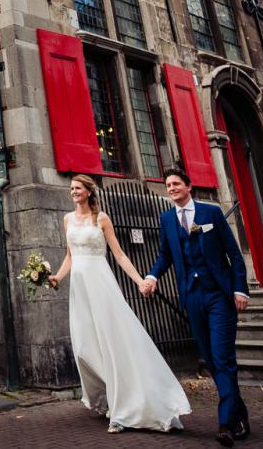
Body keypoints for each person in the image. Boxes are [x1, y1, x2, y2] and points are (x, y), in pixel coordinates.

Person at [48, 174, 190, 434]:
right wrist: (57, 276)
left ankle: (123, 407)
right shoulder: (67, 219)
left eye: (78, 188)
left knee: (112, 342)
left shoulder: (101, 219)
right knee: (84, 347)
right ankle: (111, 394)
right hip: (80, 290)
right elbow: (70, 255)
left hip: (101, 283)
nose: (73, 192)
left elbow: (120, 255)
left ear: (89, 191)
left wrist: (139, 281)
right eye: (71, 189)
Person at [141, 169, 252, 446]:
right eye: (167, 185)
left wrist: (240, 289)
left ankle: (226, 423)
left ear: (189, 186)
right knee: (212, 360)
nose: (171, 188)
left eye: (176, 183)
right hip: (192, 298)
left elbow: (233, 254)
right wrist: (153, 275)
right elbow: (165, 255)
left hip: (218, 295)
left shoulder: (211, 213)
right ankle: (240, 416)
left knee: (222, 356)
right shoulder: (166, 219)